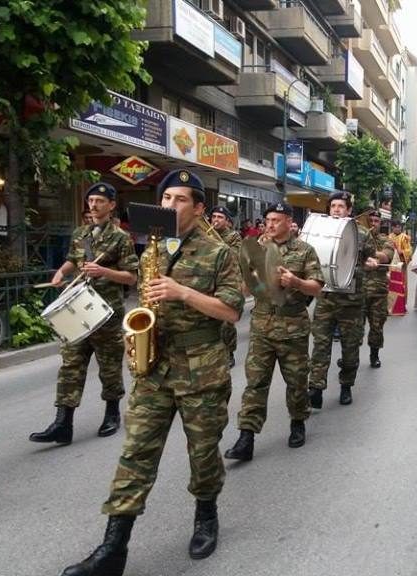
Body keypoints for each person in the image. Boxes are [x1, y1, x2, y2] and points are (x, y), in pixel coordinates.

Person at [59, 170, 244, 576]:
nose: (170, 206)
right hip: (155, 368)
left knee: (202, 452)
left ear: (198, 207)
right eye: (165, 199)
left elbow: (231, 311)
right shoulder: (151, 251)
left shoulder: (219, 254)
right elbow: (144, 301)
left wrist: (183, 293)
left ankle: (206, 517)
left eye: (180, 199)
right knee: (136, 453)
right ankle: (113, 549)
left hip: (202, 369)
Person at [30, 183, 138, 446]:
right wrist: (61, 273)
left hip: (106, 312)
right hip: (79, 309)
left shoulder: (121, 238)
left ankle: (112, 414)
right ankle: (62, 423)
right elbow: (73, 259)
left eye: (100, 200)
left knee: (109, 367)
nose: (93, 205)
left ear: (112, 205)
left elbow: (132, 276)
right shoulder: (81, 233)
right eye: (91, 200)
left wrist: (105, 273)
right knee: (70, 365)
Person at [225, 202, 324, 461]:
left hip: (293, 328)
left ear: (290, 222)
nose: (269, 225)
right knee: (255, 383)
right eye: (268, 219)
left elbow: (316, 287)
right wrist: (251, 278)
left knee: (296, 382)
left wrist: (297, 282)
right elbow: (245, 289)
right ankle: (246, 437)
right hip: (262, 327)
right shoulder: (255, 248)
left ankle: (297, 422)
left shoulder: (304, 250)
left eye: (276, 220)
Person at [308, 192, 376, 408]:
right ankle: (316, 387)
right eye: (333, 206)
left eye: (341, 206)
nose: (336, 209)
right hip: (326, 299)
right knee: (320, 345)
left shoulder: (362, 234)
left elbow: (372, 257)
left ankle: (346, 385)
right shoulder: (319, 231)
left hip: (352, 301)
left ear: (348, 210)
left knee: (350, 348)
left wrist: (373, 262)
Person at [210, 206, 243, 368]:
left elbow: (234, 257)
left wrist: (214, 240)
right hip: (209, 281)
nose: (215, 220)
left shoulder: (233, 236)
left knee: (226, 321)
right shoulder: (205, 234)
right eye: (214, 216)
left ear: (228, 222)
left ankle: (229, 352)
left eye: (220, 217)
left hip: (228, 281)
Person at [362, 210, 395, 367]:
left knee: (377, 325)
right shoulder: (357, 238)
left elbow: (386, 256)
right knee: (354, 328)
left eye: (376, 221)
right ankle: (351, 356)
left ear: (380, 223)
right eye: (371, 220)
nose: (373, 224)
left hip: (378, 291)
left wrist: (367, 251)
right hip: (359, 290)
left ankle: (374, 355)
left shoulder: (385, 240)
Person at [388, 220, 412, 315]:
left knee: (402, 285)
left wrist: (402, 252)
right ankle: (390, 305)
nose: (397, 229)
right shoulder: (389, 237)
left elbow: (409, 251)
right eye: (395, 227)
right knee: (391, 285)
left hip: (401, 265)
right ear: (392, 227)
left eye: (399, 227)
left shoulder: (404, 237)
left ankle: (401, 306)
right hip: (391, 266)